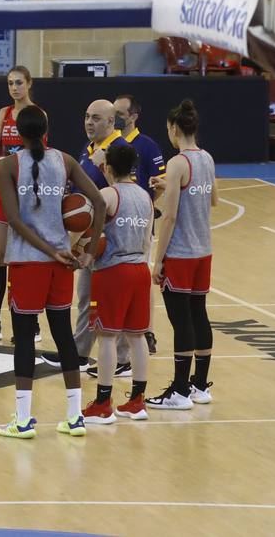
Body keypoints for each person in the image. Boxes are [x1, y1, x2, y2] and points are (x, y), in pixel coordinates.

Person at [0, 105, 105, 440]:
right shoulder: (66, 161)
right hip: (62, 266)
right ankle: (74, 417)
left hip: (29, 262)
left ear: (18, 131)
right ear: (46, 129)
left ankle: (25, 420)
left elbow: (14, 220)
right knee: (63, 337)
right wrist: (87, 250)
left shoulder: (9, 165)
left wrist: (47, 250)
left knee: (25, 339)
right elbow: (99, 203)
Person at [147, 100, 217, 410]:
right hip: (204, 250)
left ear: (175, 129)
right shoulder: (207, 158)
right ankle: (199, 386)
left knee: (181, 322)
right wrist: (171, 185)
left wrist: (158, 258)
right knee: (199, 314)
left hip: (181, 252)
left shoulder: (178, 163)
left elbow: (170, 216)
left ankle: (178, 391)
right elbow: (213, 198)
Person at [80, 142, 154, 425]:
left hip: (113, 271)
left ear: (107, 167)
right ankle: (137, 400)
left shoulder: (107, 195)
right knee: (137, 337)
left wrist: (85, 254)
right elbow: (148, 240)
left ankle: (102, 403)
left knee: (107, 337)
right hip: (140, 270)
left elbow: (88, 230)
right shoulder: (145, 197)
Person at [0, 65, 41, 344]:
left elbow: (35, 158)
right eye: (10, 83)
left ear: (29, 84)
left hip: (24, 193)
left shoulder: (37, 115)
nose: (14, 88)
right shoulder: (3, 113)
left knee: (24, 257)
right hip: (4, 191)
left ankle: (32, 323)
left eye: (18, 83)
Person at [66, 98, 132, 377]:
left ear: (110, 122)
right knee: (85, 296)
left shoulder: (121, 149)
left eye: (96, 118)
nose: (89, 122)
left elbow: (130, 192)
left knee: (113, 299)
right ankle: (79, 353)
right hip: (90, 236)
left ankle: (123, 359)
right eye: (86, 116)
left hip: (113, 239)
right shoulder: (88, 148)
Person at [113, 93, 166, 355]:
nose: (116, 117)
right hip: (113, 223)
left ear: (133, 116)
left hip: (138, 224)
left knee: (141, 277)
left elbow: (161, 182)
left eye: (120, 113)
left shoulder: (147, 146)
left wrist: (147, 206)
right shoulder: (108, 143)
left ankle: (148, 331)